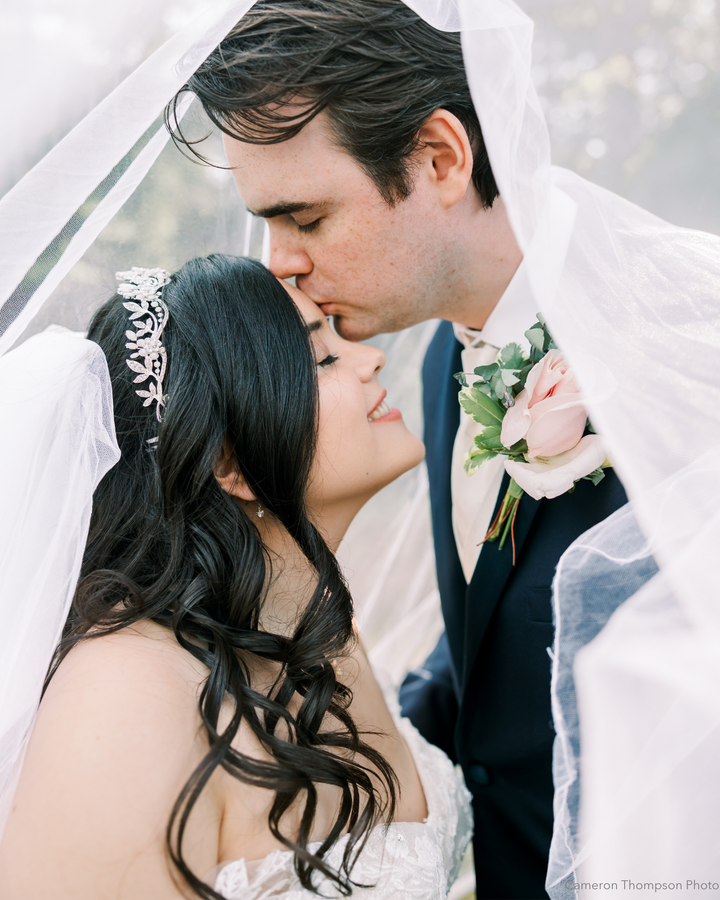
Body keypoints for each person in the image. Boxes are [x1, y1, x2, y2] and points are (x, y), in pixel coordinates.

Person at [169, 2, 629, 897]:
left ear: (440, 158)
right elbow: (492, 654)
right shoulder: (438, 370)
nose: (279, 265)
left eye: (303, 217)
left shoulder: (676, 351)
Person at [0, 255, 472, 899]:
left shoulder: (315, 632)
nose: (372, 359)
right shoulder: (122, 700)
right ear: (231, 461)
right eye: (324, 360)